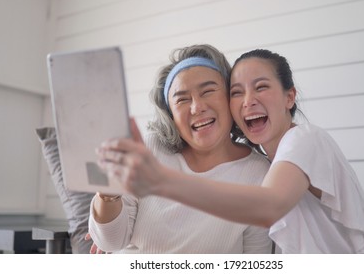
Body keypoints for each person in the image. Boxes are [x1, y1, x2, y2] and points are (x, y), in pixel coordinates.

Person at [96, 49, 364, 254]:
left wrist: (161, 181)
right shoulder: (276, 165)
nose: (248, 101)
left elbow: (267, 206)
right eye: (237, 92)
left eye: (261, 87)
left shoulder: (304, 139)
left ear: (289, 96)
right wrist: (108, 210)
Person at [88, 44, 272, 254]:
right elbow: (109, 243)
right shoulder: (149, 148)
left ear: (230, 96)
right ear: (171, 115)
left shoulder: (259, 173)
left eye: (208, 91)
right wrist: (108, 194)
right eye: (182, 99)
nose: (197, 107)